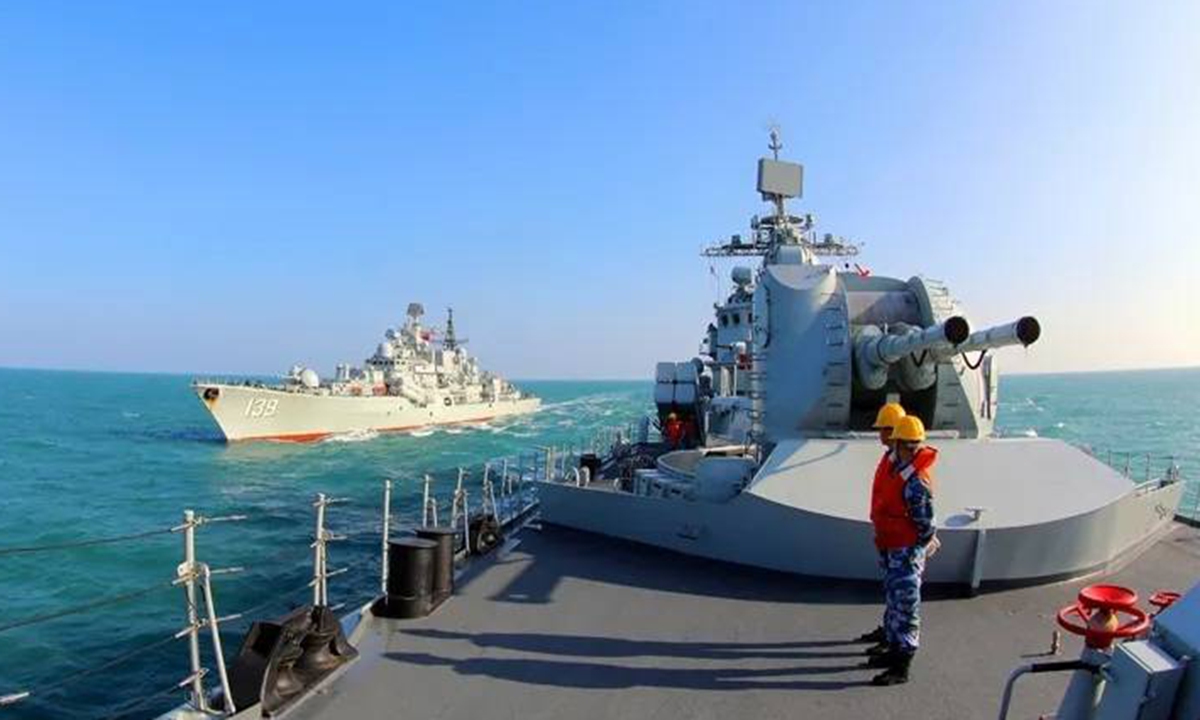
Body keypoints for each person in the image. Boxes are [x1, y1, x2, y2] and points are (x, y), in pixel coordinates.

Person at [865, 414, 939, 686]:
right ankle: (894, 650)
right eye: (907, 445)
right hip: (893, 547)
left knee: (906, 606)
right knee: (896, 602)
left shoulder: (917, 481)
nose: (911, 450)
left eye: (914, 445)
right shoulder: (898, 469)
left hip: (906, 552)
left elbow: (925, 522)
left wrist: (922, 543)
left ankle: (902, 665)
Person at [857, 402, 906, 647]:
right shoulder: (891, 458)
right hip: (888, 537)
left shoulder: (907, 469)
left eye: (884, 429)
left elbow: (921, 508)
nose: (879, 433)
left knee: (904, 597)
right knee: (893, 590)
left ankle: (900, 653)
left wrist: (927, 537)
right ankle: (890, 632)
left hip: (902, 543)